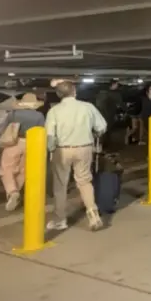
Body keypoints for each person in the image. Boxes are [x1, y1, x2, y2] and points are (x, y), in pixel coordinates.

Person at [45, 81, 106, 231]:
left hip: (62, 150)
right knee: (84, 181)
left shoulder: (54, 111)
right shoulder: (88, 107)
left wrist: (51, 150)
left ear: (58, 94)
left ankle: (60, 220)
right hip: (84, 147)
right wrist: (93, 134)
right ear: (75, 92)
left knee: (60, 185)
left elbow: (50, 136)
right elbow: (102, 127)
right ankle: (93, 214)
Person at [0, 93, 46, 211]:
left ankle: (12, 192)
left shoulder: (13, 114)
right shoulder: (39, 116)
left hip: (13, 143)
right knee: (22, 171)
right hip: (31, 145)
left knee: (6, 169)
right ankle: (15, 194)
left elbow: (0, 131)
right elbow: (42, 133)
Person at [94, 80, 122, 148]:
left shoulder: (101, 93)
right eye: (116, 84)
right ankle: (103, 145)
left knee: (102, 130)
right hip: (108, 115)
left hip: (102, 114)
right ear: (113, 84)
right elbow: (118, 105)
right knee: (106, 130)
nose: (117, 86)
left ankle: (100, 145)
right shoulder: (113, 94)